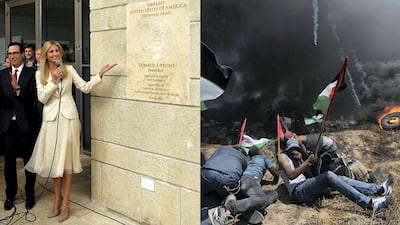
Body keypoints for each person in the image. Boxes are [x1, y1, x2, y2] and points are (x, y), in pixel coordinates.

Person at [24, 40, 117, 222]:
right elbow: (42, 99)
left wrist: (99, 75)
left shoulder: (69, 70)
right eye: (50, 51)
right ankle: (56, 199)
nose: (55, 54)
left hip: (69, 119)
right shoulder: (39, 74)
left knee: (66, 163)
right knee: (55, 161)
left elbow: (85, 87)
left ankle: (66, 202)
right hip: (51, 121)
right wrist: (53, 81)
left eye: (57, 50)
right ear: (45, 55)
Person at [279, 138, 395, 213]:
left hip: (307, 188)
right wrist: (306, 162)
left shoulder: (299, 158)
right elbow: (291, 175)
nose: (295, 151)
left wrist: (304, 162)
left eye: (297, 149)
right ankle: (370, 204)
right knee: (328, 175)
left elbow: (309, 175)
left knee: (340, 178)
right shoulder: (283, 157)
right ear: (287, 150)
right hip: (298, 192)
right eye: (292, 150)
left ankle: (379, 189)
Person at [0, 42, 39, 210]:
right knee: (9, 164)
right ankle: (10, 195)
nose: (12, 56)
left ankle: (29, 194)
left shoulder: (32, 74)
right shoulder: (2, 75)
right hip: (8, 126)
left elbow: (35, 98)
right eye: (9, 53)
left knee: (29, 163)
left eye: (15, 53)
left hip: (27, 125)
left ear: (23, 54)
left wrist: (18, 90)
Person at [211, 146, 279, 225]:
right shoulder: (263, 158)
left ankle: (245, 207)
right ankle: (233, 208)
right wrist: (277, 178)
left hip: (238, 182)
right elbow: (274, 171)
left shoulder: (247, 161)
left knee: (250, 197)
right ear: (259, 152)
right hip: (251, 180)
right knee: (268, 196)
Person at [201, 145, 247, 225]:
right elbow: (242, 176)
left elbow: (211, 159)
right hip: (229, 178)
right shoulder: (244, 158)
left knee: (202, 194)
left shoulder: (223, 148)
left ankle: (207, 210)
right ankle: (225, 210)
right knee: (224, 196)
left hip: (209, 172)